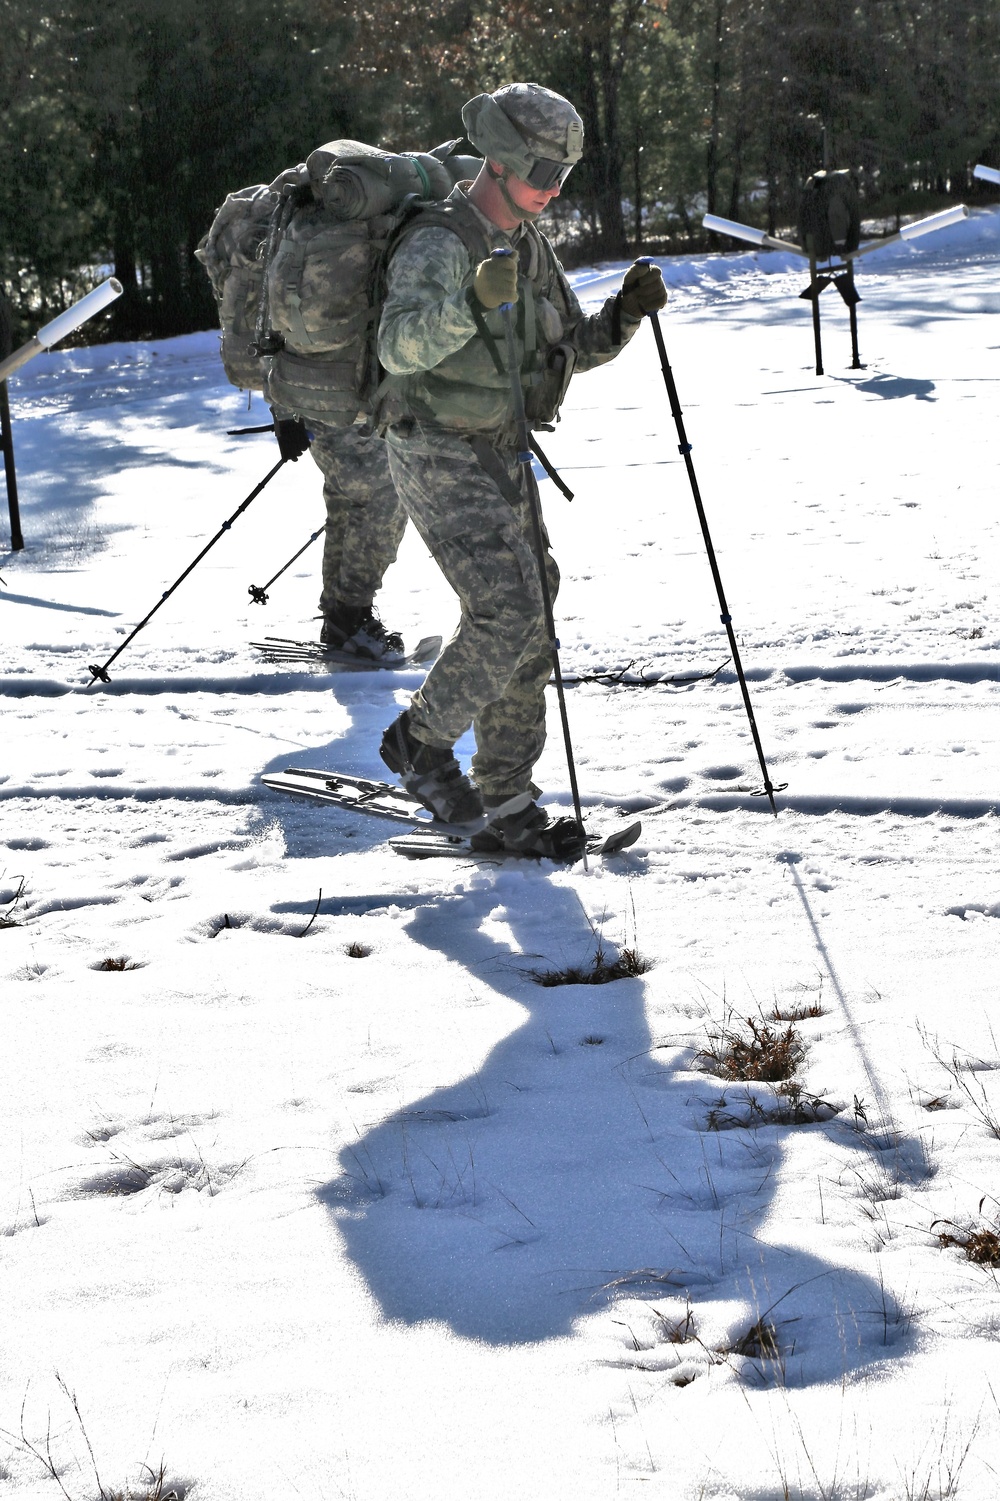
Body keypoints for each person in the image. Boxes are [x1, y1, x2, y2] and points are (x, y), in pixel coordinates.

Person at [374, 82, 667, 857]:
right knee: (506, 606)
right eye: (542, 171)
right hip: (432, 444)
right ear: (500, 161)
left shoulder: (529, 243)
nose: (552, 188)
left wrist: (627, 313)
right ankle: (419, 743)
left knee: (534, 610)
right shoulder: (438, 240)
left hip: (499, 447)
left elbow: (572, 344)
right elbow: (396, 347)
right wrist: (467, 305)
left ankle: (508, 798)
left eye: (562, 175)